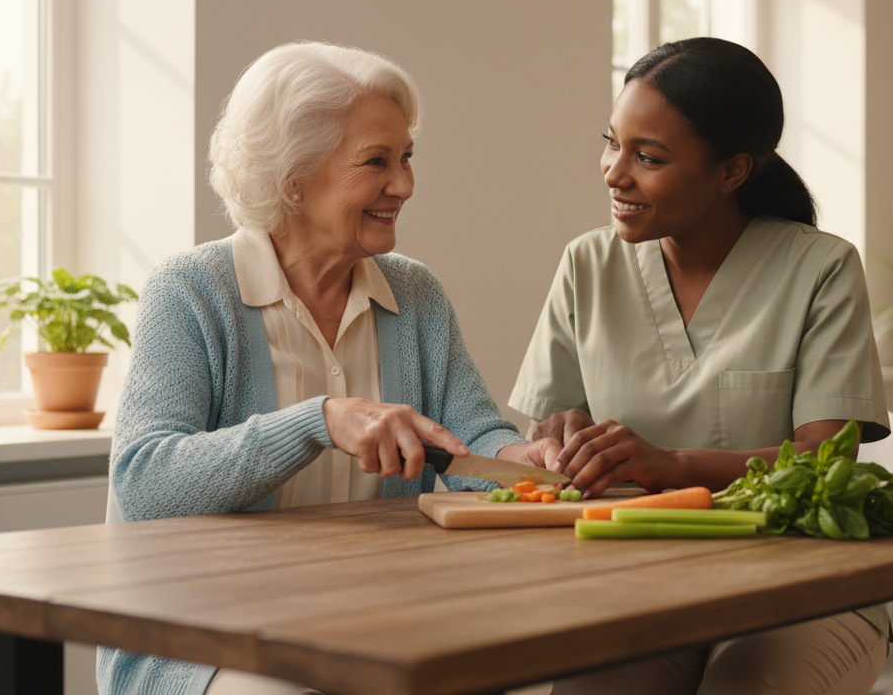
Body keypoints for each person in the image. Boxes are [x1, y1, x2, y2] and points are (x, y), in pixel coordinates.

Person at [97, 42, 560, 695]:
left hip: (385, 622)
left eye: (405, 158)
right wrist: (317, 421)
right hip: (210, 638)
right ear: (292, 175)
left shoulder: (415, 294)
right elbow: (145, 484)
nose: (404, 184)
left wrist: (522, 461)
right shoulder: (192, 292)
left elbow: (471, 439)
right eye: (376, 162)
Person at [510, 37, 892, 695]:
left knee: (751, 685)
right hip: (638, 581)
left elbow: (828, 468)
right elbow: (551, 424)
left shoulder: (821, 268)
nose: (613, 172)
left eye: (647, 156)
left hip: (801, 584)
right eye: (612, 143)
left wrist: (677, 466)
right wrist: (560, 438)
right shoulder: (587, 265)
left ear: (731, 171)